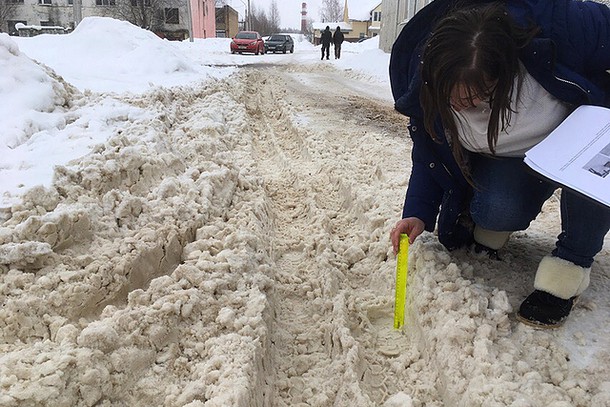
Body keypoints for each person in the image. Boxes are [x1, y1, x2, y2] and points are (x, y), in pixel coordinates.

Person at [389, 0, 610, 328]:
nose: (462, 107)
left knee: (594, 183)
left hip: (584, 137)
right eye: (451, 99)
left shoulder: (563, 27)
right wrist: (417, 213)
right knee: (494, 211)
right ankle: (503, 218)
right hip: (516, 156)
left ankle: (571, 264)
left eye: (476, 98)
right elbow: (429, 157)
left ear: (503, 72)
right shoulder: (427, 87)